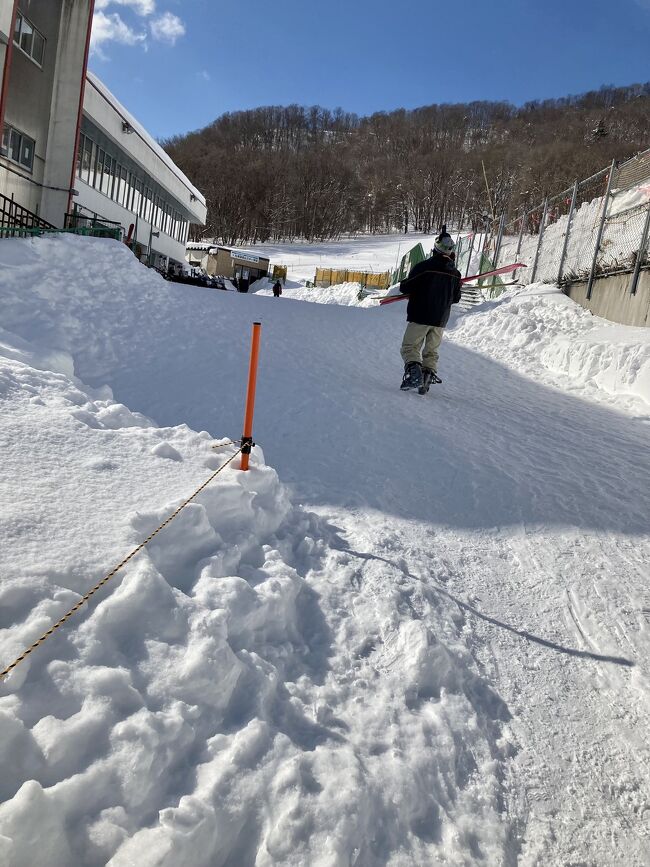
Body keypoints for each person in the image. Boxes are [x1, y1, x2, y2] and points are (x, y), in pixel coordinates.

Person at [399, 227, 462, 393]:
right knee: (431, 351)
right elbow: (456, 298)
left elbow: (406, 287)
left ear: (435, 248)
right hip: (441, 319)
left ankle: (414, 375)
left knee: (409, 347)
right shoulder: (456, 274)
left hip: (420, 315)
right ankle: (427, 376)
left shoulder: (424, 267)